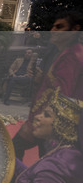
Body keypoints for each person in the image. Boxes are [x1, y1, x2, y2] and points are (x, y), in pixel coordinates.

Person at [13, 12, 83, 160]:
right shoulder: (63, 52)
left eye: (59, 27)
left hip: (52, 124)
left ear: (75, 30)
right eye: (53, 26)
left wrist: (46, 119)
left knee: (18, 150)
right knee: (42, 160)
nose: (53, 31)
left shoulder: (72, 56)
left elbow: (64, 94)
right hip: (46, 121)